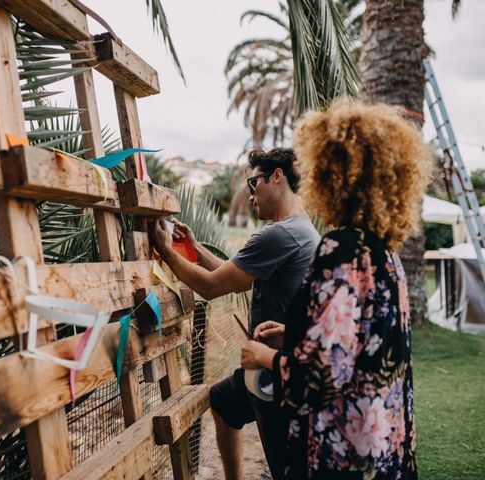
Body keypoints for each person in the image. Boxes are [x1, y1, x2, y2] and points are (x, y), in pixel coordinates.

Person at [240, 100, 430, 479]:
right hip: (385, 449)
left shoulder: (339, 250)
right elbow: (360, 345)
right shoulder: (384, 255)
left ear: (334, 175)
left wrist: (263, 357)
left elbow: (319, 380)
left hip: (344, 456)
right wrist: (294, 336)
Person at [150, 147, 320, 479]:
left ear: (277, 177)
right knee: (224, 402)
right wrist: (197, 251)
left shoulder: (279, 234)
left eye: (253, 182)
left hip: (273, 370)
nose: (251, 194)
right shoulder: (303, 230)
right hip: (270, 363)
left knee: (287, 467)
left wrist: (166, 251)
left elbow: (212, 287)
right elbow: (238, 281)